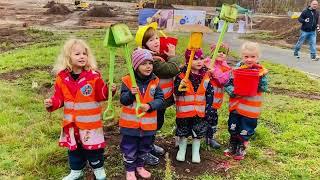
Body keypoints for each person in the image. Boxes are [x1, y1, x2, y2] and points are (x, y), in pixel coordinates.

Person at [44, 39, 116, 180]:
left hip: (90, 124)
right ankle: (76, 170)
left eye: (84, 53)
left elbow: (101, 94)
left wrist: (109, 90)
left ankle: (98, 168)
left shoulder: (94, 76)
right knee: (74, 150)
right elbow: (59, 98)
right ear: (68, 57)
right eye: (77, 54)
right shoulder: (62, 78)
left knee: (94, 149)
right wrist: (51, 103)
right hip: (71, 124)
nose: (82, 56)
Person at [135, 22, 180, 165]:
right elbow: (171, 70)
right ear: (144, 44)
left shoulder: (157, 56)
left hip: (160, 100)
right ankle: (144, 151)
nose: (156, 41)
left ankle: (149, 145)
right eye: (151, 40)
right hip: (152, 101)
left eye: (156, 38)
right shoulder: (150, 60)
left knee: (156, 124)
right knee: (149, 126)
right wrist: (172, 57)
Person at [119, 48, 164, 180]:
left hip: (148, 126)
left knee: (144, 148)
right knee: (129, 148)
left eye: (150, 63)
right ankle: (130, 170)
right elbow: (123, 100)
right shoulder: (128, 81)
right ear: (136, 65)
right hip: (130, 126)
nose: (148, 66)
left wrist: (149, 106)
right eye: (144, 63)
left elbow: (160, 100)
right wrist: (130, 94)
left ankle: (140, 166)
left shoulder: (155, 81)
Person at [224, 42, 268, 160]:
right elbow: (227, 83)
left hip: (250, 107)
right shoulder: (236, 69)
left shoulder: (261, 71)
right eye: (246, 56)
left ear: (257, 57)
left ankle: (241, 147)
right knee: (233, 125)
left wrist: (257, 81)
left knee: (246, 127)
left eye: (252, 57)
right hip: (236, 106)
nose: (249, 59)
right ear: (242, 56)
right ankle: (233, 144)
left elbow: (264, 87)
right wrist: (232, 91)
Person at [174, 48, 215, 163]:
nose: (199, 62)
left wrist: (209, 108)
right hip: (184, 112)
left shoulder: (206, 75)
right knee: (183, 130)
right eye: (195, 59)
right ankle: (182, 150)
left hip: (200, 111)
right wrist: (180, 86)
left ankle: (195, 151)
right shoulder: (181, 76)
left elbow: (210, 92)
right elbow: (177, 92)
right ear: (188, 61)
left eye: (201, 59)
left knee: (199, 131)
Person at [205, 43, 232, 149]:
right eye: (219, 51)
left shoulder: (227, 68)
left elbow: (224, 80)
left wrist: (215, 72)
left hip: (215, 99)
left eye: (224, 52)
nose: (221, 53)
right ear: (213, 52)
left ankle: (210, 137)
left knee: (212, 118)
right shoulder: (206, 62)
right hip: (202, 98)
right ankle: (196, 136)